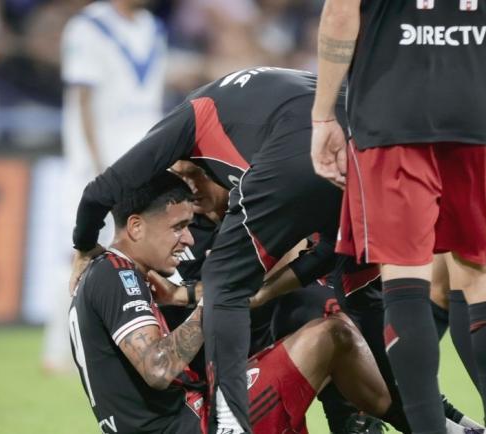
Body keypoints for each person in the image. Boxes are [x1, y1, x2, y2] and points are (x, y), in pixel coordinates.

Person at [310, 1, 486, 434]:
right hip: (476, 113)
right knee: (485, 277)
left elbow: (340, 13)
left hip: (390, 114)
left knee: (405, 283)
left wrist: (324, 115)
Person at [69, 170, 409, 434]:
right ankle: (424, 422)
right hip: (196, 425)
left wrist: (201, 296)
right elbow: (158, 368)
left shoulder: (111, 275)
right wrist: (216, 300)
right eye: (178, 227)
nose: (188, 239)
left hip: (191, 416)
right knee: (333, 334)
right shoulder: (116, 274)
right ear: (136, 226)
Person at [43, 0, 167, 372]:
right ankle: (58, 352)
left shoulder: (153, 28)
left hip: (143, 161)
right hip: (95, 167)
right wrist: (99, 167)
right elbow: (82, 100)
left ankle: (130, 343)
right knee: (77, 250)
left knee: (143, 252)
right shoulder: (88, 27)